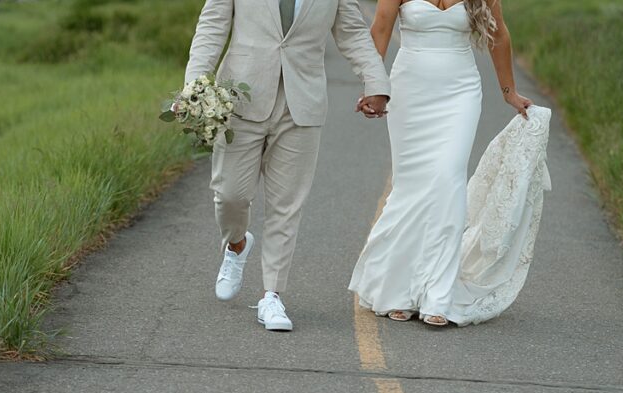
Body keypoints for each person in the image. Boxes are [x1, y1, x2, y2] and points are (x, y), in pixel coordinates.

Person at [185, 0, 390, 331]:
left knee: (287, 204)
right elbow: (212, 25)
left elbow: (352, 32)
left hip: (302, 103)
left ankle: (272, 295)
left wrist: (376, 83)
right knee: (230, 194)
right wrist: (195, 83)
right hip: (240, 99)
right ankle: (236, 244)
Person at [349, 0, 551, 327]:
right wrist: (374, 87)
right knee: (411, 186)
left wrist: (509, 92)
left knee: (449, 180)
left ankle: (437, 295)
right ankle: (400, 289)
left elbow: (499, 35)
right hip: (409, 92)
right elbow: (381, 28)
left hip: (460, 93)